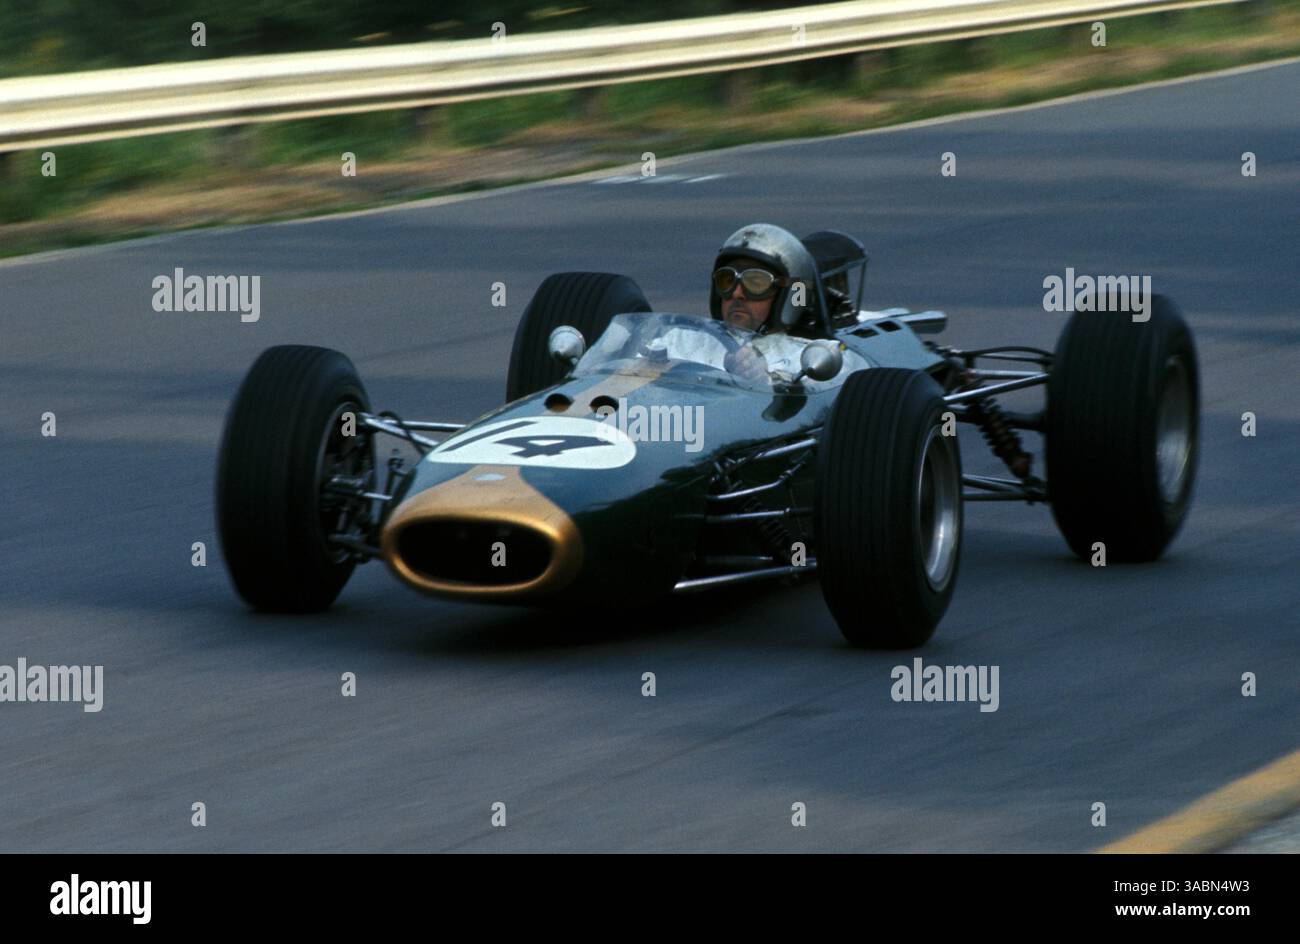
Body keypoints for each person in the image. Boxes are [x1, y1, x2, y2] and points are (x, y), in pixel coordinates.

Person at [708, 224, 822, 384]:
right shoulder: (685, 341)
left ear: (792, 294)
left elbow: (820, 388)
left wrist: (765, 381)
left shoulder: (813, 357)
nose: (736, 293)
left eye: (755, 282)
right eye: (727, 280)